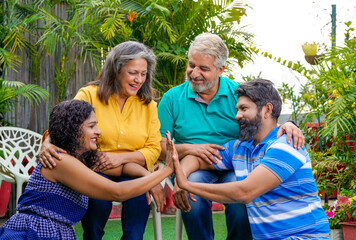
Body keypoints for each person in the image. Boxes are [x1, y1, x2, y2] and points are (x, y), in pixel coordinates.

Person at [157, 32, 305, 240]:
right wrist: (191, 149)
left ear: (220, 70)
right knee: (194, 199)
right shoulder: (171, 99)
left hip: (235, 163)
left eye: (204, 68)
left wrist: (289, 124)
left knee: (241, 205)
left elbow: (263, 121)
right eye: (191, 65)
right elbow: (159, 147)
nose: (194, 73)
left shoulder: (238, 94)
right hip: (190, 165)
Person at [171, 79, 330, 240]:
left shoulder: (286, 144)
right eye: (237, 109)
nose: (237, 116)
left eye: (244, 109)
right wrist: (182, 175)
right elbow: (198, 158)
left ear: (267, 110)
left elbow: (245, 192)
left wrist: (187, 185)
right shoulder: (239, 148)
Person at [39, 41, 162, 240]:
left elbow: (154, 148)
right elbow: (67, 124)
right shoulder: (89, 95)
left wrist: (121, 159)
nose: (138, 79)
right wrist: (47, 143)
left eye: (143, 73)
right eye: (132, 73)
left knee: (139, 199)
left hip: (132, 170)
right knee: (98, 201)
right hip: (94, 168)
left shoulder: (148, 105)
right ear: (116, 70)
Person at [0, 100, 175, 239]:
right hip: (34, 232)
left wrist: (146, 175)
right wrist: (166, 171)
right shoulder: (61, 160)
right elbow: (117, 192)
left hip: (58, 232)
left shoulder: (82, 159)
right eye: (91, 126)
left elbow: (122, 168)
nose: (98, 131)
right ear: (73, 130)